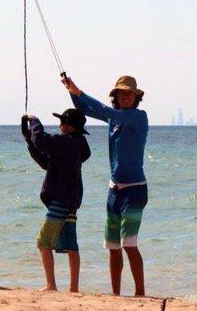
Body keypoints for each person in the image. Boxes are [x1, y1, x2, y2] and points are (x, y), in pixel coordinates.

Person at [61, 75, 148, 297]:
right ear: (116, 96)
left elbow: (104, 110)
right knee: (113, 247)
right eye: (122, 93)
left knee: (129, 244)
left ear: (136, 97)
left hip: (135, 189)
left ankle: (140, 294)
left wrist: (80, 91)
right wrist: (71, 90)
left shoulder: (139, 117)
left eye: (130, 93)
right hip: (114, 190)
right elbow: (83, 107)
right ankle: (116, 295)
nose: (126, 96)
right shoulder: (113, 119)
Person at [21, 109, 91, 292]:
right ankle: (74, 289)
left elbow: (42, 141)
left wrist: (34, 121)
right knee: (71, 245)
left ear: (69, 126)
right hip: (71, 201)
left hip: (60, 200)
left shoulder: (67, 142)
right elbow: (46, 162)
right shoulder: (76, 144)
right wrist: (29, 141)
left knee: (43, 242)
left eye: (62, 123)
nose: (60, 126)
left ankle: (51, 285)